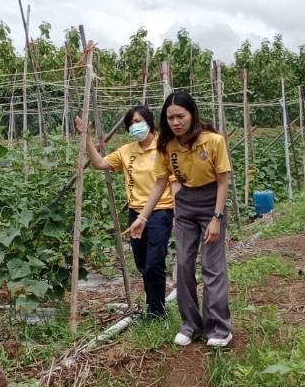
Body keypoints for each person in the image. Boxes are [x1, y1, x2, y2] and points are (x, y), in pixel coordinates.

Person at [128, 90, 233, 348]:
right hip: (185, 204)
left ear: (192, 115)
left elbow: (222, 181)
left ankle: (220, 328)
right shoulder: (167, 145)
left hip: (211, 203)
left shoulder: (213, 141)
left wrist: (217, 218)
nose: (176, 122)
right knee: (183, 264)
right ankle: (191, 325)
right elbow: (160, 183)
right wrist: (143, 217)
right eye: (170, 117)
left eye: (181, 116)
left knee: (212, 266)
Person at [75, 104, 174, 319]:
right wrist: (88, 138)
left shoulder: (164, 147)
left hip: (160, 212)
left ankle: (156, 311)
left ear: (149, 122)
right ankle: (156, 305)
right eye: (131, 124)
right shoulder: (127, 150)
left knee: (155, 262)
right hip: (135, 212)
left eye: (138, 121)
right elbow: (100, 163)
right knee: (142, 263)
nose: (135, 126)